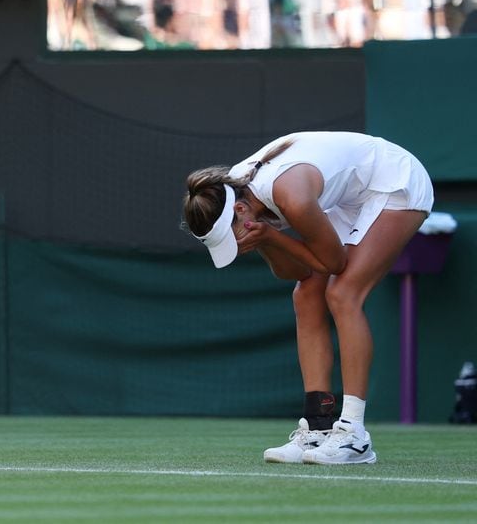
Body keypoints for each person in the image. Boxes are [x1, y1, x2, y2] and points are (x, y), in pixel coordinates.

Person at [182, 131, 434, 465]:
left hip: (392, 181)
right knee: (306, 294)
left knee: (343, 293)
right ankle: (318, 427)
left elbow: (334, 264)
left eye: (233, 237)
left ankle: (354, 436)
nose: (238, 248)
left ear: (241, 210)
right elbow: (295, 273)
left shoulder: (291, 195)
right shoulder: (242, 199)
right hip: (349, 196)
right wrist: (268, 241)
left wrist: (271, 236)